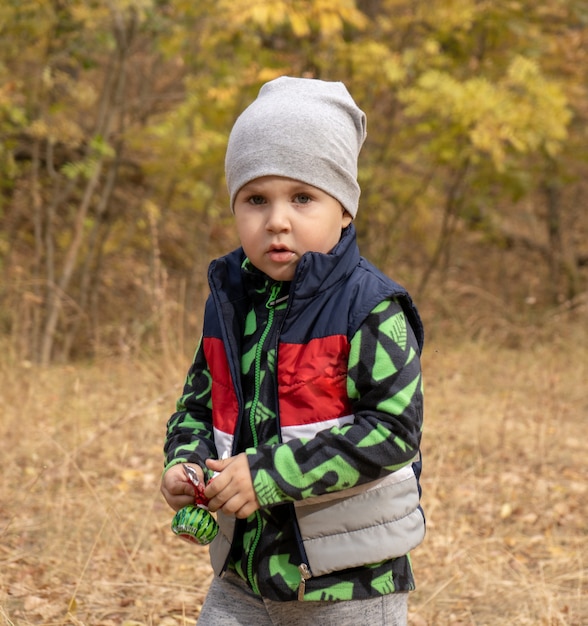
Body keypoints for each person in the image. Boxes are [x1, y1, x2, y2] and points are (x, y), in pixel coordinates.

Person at [160, 76, 425, 626]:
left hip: (350, 583)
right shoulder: (229, 304)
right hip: (243, 576)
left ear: (345, 210)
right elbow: (198, 408)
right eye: (256, 199)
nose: (277, 220)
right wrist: (184, 462)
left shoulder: (370, 307)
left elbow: (393, 431)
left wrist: (270, 473)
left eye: (303, 197)